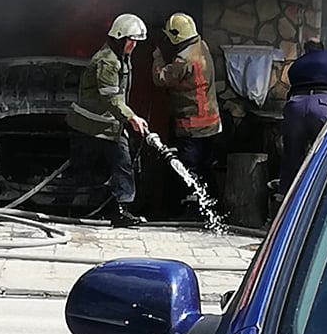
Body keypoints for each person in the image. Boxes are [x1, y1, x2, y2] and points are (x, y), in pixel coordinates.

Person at [66, 13, 149, 227]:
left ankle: (114, 209)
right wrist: (131, 118)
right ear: (120, 38)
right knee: (120, 163)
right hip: (95, 124)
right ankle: (116, 210)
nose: (134, 45)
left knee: (112, 165)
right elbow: (111, 98)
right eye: (132, 41)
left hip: (107, 123)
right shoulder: (108, 61)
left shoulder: (120, 57)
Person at [152, 13, 221, 205]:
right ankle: (212, 206)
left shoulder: (183, 60)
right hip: (211, 123)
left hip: (193, 126)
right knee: (206, 168)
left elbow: (160, 79)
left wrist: (157, 56)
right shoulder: (201, 45)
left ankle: (192, 208)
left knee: (189, 170)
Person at [279, 39, 327, 194]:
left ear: (305, 50)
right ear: (323, 48)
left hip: (296, 106)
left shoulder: (296, 65)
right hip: (323, 105)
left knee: (291, 157)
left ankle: (283, 198)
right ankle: (325, 198)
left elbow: (293, 87)